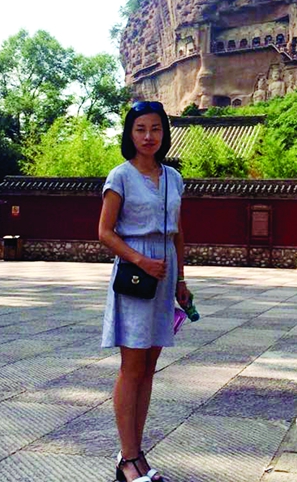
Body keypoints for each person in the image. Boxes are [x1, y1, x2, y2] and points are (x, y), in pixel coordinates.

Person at [98, 101, 191, 482]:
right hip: (136, 273)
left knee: (150, 367)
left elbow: (178, 232)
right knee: (132, 367)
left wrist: (181, 280)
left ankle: (136, 455)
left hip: (164, 271)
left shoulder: (173, 177)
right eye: (140, 129)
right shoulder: (120, 176)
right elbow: (104, 232)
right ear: (130, 134)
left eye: (155, 128)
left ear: (164, 133)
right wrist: (141, 260)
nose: (148, 136)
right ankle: (128, 460)